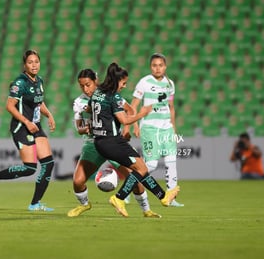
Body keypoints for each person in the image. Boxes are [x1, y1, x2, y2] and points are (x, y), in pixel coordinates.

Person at [68, 68, 161, 218]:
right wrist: (88, 127)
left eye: (88, 84)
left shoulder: (109, 95)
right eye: (82, 86)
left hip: (112, 143)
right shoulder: (79, 102)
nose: (86, 89)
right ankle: (84, 205)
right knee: (78, 181)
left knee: (135, 177)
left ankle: (146, 210)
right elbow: (79, 128)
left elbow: (130, 110)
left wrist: (127, 129)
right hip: (93, 144)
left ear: (95, 81)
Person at [91, 62, 180, 217]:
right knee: (141, 169)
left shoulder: (98, 93)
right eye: (124, 83)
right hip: (112, 141)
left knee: (140, 170)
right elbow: (124, 120)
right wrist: (142, 113)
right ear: (117, 81)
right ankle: (119, 198)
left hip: (100, 141)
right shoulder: (114, 96)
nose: (124, 86)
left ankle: (163, 197)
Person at [0, 49, 56, 211]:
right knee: (29, 168)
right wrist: (27, 122)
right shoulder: (20, 83)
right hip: (22, 127)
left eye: (36, 61)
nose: (34, 65)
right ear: (25, 65)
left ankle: (35, 204)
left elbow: (39, 102)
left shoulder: (39, 81)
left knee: (48, 164)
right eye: (30, 62)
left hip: (36, 126)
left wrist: (49, 114)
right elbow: (9, 106)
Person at [130, 53, 184, 207]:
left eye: (160, 65)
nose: (157, 68)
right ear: (150, 67)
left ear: (165, 66)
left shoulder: (170, 84)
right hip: (150, 127)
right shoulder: (144, 82)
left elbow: (171, 107)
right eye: (154, 65)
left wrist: (173, 128)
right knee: (151, 165)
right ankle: (128, 189)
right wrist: (134, 124)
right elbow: (133, 106)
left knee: (171, 161)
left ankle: (171, 197)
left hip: (166, 128)